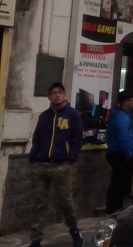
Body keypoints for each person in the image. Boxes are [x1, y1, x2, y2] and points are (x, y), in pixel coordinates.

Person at [27, 82, 84, 247]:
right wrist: (33, 158)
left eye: (60, 92)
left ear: (65, 95)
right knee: (38, 204)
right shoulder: (44, 116)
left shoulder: (73, 115)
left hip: (61, 166)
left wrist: (71, 160)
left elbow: (77, 140)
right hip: (41, 165)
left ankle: (74, 230)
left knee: (66, 202)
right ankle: (35, 239)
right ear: (49, 96)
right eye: (53, 93)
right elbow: (37, 139)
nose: (56, 95)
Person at [105, 90, 133, 215]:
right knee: (118, 184)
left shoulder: (119, 115)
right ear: (126, 102)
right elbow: (124, 139)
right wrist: (129, 154)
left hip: (115, 152)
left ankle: (114, 208)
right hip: (120, 154)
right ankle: (114, 209)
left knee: (117, 182)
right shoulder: (122, 118)